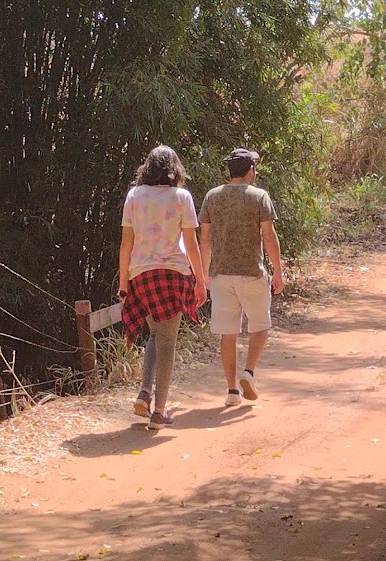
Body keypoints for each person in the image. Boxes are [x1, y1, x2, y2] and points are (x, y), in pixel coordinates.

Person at [119, 144, 207, 429]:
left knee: (155, 334)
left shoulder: (134, 195)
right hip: (173, 274)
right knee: (167, 341)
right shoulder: (182, 197)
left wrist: (124, 283)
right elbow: (191, 244)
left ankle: (145, 393)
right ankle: (159, 410)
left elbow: (126, 244)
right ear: (175, 170)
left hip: (141, 275)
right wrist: (200, 280)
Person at [199, 147, 284, 407]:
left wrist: (204, 275)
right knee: (260, 325)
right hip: (251, 272)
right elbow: (268, 236)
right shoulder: (259, 197)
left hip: (221, 275)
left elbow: (205, 240)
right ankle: (248, 372)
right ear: (251, 171)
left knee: (228, 333)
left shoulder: (212, 197)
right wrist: (278, 271)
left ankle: (231, 391)